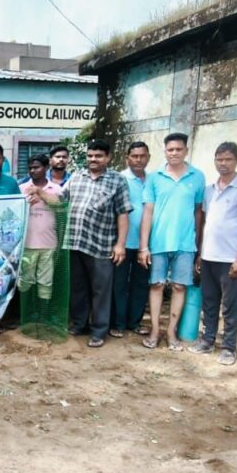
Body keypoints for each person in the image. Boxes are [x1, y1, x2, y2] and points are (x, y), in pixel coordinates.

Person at [189, 143, 237, 366]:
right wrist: (200, 254)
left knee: (230, 306)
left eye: (228, 159)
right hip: (209, 256)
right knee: (209, 302)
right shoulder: (209, 190)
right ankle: (207, 340)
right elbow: (206, 223)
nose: (223, 163)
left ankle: (229, 347)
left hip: (229, 258)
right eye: (219, 159)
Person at [58, 140, 132, 347]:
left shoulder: (117, 181)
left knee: (101, 291)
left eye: (98, 156)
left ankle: (99, 330)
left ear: (108, 157)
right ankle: (79, 324)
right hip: (74, 242)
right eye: (90, 155)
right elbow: (60, 200)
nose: (93, 159)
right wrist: (39, 194)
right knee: (78, 288)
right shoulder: (76, 177)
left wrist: (120, 245)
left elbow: (123, 214)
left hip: (101, 246)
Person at [138, 132, 205, 351]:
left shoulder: (197, 177)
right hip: (158, 242)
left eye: (178, 149)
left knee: (179, 286)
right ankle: (155, 331)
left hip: (185, 244)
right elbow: (148, 212)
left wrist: (198, 245)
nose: (174, 153)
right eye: (170, 150)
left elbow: (198, 212)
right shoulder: (154, 177)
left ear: (186, 151)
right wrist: (144, 246)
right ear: (165, 151)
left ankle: (171, 332)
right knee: (157, 285)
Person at [110, 141, 151, 338]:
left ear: (148, 157)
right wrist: (118, 242)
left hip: (147, 244)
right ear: (127, 158)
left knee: (141, 284)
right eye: (134, 156)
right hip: (122, 242)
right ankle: (117, 323)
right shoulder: (119, 179)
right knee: (118, 284)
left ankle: (134, 322)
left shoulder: (153, 180)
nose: (138, 160)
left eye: (142, 156)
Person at [18, 154, 63, 318]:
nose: (32, 170)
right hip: (27, 244)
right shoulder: (22, 188)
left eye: (36, 167)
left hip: (48, 244)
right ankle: (26, 314)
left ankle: (43, 316)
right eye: (30, 168)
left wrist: (39, 192)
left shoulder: (56, 189)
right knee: (25, 281)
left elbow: (59, 206)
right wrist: (26, 204)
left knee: (45, 281)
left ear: (46, 168)